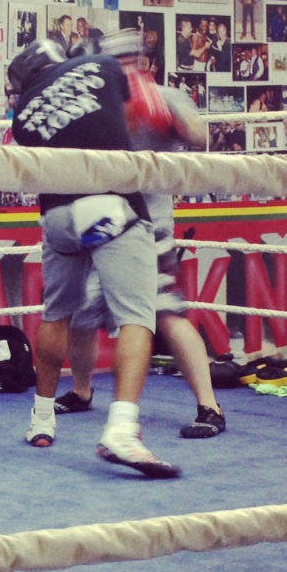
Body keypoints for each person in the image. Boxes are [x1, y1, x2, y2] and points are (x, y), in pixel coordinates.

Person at [8, 37, 181, 478]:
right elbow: (129, 120)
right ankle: (121, 429)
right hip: (110, 206)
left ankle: (41, 420)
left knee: (57, 313)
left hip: (58, 218)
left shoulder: (23, 115)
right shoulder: (103, 65)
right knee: (137, 316)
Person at [52, 30, 226, 440]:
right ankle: (81, 390)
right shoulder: (93, 103)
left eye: (131, 59)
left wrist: (166, 114)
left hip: (148, 228)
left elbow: (201, 137)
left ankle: (210, 406)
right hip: (97, 223)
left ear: (143, 61)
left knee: (166, 313)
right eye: (117, 61)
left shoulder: (164, 95)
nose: (125, 67)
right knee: (82, 311)